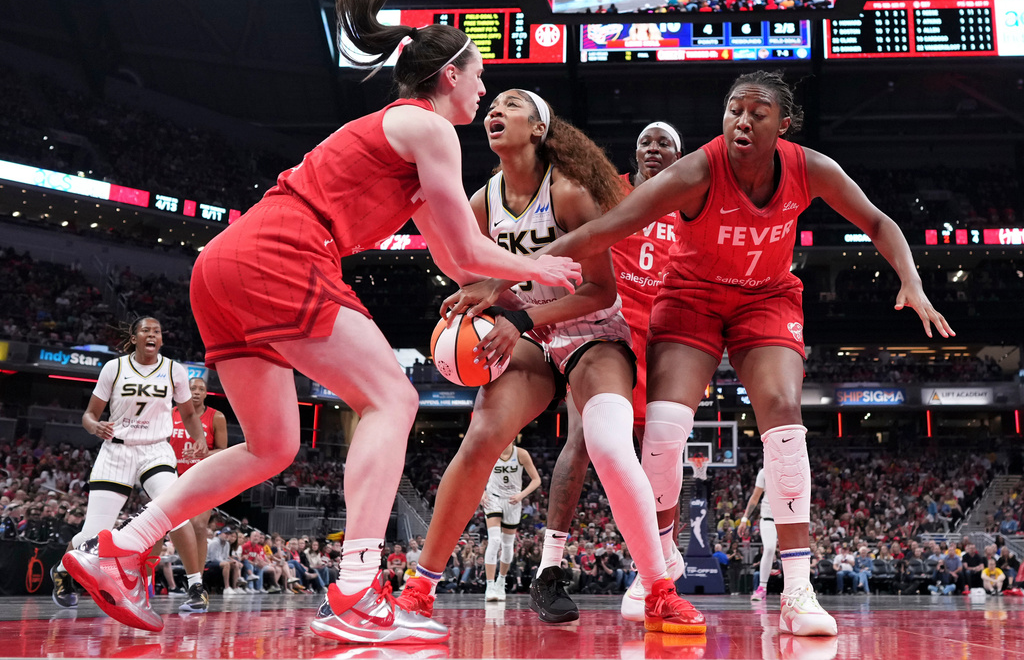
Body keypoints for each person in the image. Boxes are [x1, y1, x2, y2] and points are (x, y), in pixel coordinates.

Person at [60, 0, 580, 643]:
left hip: (225, 263)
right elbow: (477, 242)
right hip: (284, 250)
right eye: (478, 78)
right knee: (393, 397)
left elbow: (454, 255)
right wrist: (540, 266)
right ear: (449, 75)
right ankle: (359, 589)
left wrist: (502, 293)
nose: (482, 93)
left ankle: (121, 546)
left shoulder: (408, 141)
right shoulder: (430, 128)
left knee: (274, 444)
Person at [449, 70, 955, 637]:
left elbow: (878, 222)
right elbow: (607, 228)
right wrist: (512, 277)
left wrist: (910, 279)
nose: (742, 120)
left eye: (756, 113)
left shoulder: (809, 168)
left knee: (785, 415)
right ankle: (657, 567)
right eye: (733, 109)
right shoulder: (697, 170)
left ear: (782, 124)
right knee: (662, 429)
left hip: (765, 298)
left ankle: (798, 590)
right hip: (689, 300)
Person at [396, 90, 705, 637]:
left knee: (607, 444)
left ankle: (659, 589)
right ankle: (420, 589)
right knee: (484, 436)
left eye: (512, 104)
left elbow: (598, 290)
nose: (495, 109)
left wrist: (517, 317)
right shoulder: (481, 202)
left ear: (539, 128)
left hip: (593, 329)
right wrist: (471, 300)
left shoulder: (570, 193)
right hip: (532, 332)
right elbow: (470, 270)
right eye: (492, 104)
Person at [527, 121, 686, 625]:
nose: (654, 148)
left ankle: (658, 564)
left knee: (661, 448)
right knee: (581, 440)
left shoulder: (691, 202)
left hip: (664, 332)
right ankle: (549, 570)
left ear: (679, 156)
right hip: (605, 323)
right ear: (635, 152)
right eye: (646, 141)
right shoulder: (605, 188)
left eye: (664, 143)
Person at [52, 317, 210, 613]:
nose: (152, 335)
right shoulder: (114, 367)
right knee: (93, 536)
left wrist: (199, 437)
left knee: (177, 513)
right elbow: (89, 414)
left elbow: (189, 415)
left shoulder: (174, 369)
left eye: (157, 332)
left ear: (161, 340)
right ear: (135, 337)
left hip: (156, 450)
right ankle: (62, 572)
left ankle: (195, 586)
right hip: (116, 450)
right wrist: (94, 427)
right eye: (146, 330)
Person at [168, 377, 228, 589]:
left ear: (205, 394)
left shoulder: (216, 417)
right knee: (163, 528)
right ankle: (147, 580)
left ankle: (197, 581)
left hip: (203, 478)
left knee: (200, 525)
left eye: (201, 389)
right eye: (192, 388)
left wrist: (204, 453)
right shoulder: (170, 413)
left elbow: (223, 451)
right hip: (172, 477)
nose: (196, 391)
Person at [481, 441, 541, 602]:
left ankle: (501, 581)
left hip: (513, 501)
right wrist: (481, 493)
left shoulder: (521, 454)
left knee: (507, 544)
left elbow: (536, 480)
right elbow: (476, 473)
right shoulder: (490, 451)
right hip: (493, 498)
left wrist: (521, 495)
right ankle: (490, 585)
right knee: (494, 540)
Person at [739, 466, 776, 601]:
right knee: (770, 548)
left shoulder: (791, 470)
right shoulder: (764, 472)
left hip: (786, 518)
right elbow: (755, 498)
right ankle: (762, 588)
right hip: (768, 518)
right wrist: (744, 519)